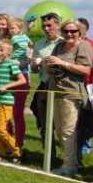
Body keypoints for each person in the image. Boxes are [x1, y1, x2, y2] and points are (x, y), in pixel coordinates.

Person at [44, 19, 93, 177]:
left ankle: (69, 166)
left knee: (68, 131)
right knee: (59, 130)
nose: (69, 34)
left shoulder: (84, 46)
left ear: (79, 32)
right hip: (55, 92)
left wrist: (63, 63)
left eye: (73, 31)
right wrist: (47, 64)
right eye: (66, 31)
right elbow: (51, 69)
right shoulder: (59, 46)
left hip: (71, 94)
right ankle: (70, 162)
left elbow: (85, 69)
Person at [30, 12, 62, 164]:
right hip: (44, 86)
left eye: (50, 26)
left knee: (64, 126)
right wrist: (35, 66)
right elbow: (35, 71)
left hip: (62, 89)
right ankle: (50, 157)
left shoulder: (65, 43)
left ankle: (72, 159)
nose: (47, 29)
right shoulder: (39, 45)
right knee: (45, 124)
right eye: (44, 27)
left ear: (58, 25)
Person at [0, 39, 26, 163]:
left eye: (1, 50)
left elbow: (22, 80)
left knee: (2, 130)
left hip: (6, 102)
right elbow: (0, 81)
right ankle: (2, 153)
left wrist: (6, 87)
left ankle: (17, 152)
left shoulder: (12, 64)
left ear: (9, 51)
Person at [75, 17, 93, 160]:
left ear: (87, 29)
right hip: (74, 85)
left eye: (82, 29)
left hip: (88, 85)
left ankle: (86, 145)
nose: (80, 32)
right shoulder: (71, 43)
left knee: (88, 114)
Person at [8, 17, 33, 149]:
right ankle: (8, 142)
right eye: (10, 29)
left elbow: (30, 46)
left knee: (17, 112)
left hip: (21, 71)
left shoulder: (17, 38)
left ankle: (18, 145)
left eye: (13, 28)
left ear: (19, 29)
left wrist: (27, 57)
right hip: (14, 70)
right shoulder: (18, 38)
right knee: (8, 111)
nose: (11, 31)